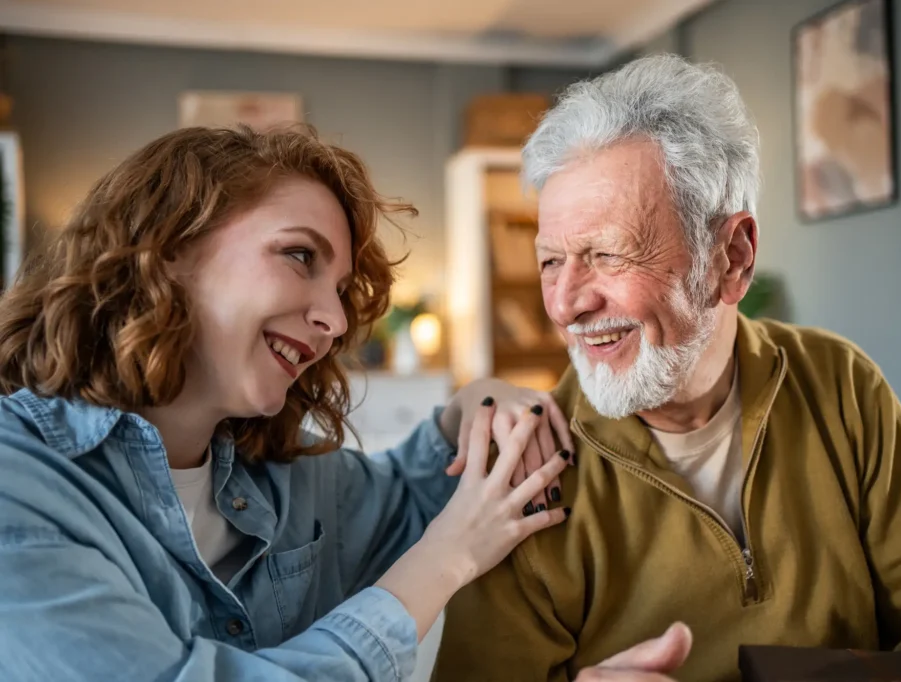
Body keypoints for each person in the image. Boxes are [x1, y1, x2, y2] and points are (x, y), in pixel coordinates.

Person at [431, 54, 901, 681]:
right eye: (551, 261)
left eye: (606, 254)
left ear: (732, 258)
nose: (566, 303)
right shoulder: (528, 472)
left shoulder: (842, 386)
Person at [0, 124, 576, 681]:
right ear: (170, 246)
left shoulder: (284, 469)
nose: (335, 321)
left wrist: (470, 405)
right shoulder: (19, 484)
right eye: (300, 256)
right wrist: (444, 561)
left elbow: (405, 496)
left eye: (341, 290)